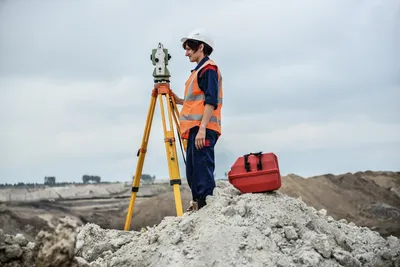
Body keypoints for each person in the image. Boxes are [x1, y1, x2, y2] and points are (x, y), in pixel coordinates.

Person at [173, 28, 223, 211]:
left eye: (189, 49)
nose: (186, 53)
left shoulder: (209, 68)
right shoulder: (198, 71)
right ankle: (198, 204)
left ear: (201, 47)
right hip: (197, 127)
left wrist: (202, 128)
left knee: (202, 170)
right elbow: (197, 101)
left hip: (204, 127)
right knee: (193, 171)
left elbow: (211, 100)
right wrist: (179, 100)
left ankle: (206, 208)